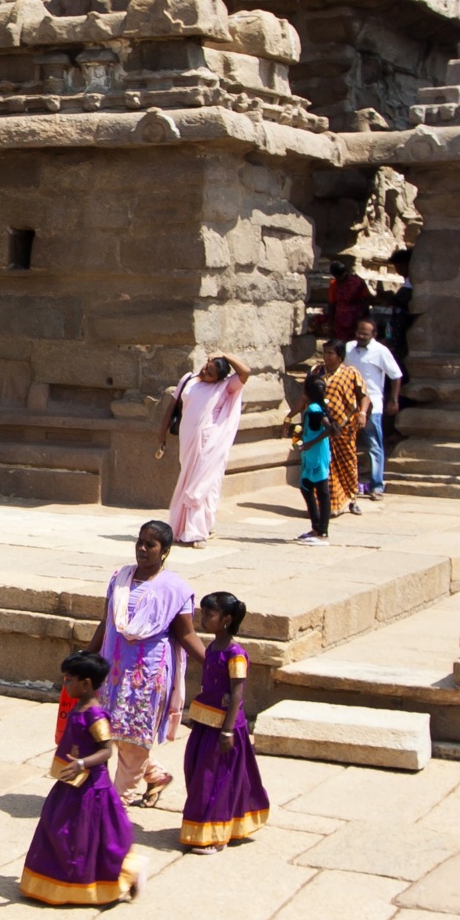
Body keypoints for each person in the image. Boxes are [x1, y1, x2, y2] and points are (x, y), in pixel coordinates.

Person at [19, 650, 146, 906]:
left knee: (88, 837)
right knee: (57, 829)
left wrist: (81, 763)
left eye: (69, 679)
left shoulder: (95, 716)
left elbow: (107, 749)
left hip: (91, 788)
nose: (65, 684)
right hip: (69, 784)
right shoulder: (78, 707)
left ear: (86, 683)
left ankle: (125, 873)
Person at [99, 519, 201, 805]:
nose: (142, 549)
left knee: (134, 738)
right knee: (116, 731)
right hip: (114, 670)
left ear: (165, 551)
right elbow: (105, 623)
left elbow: (187, 634)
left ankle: (116, 805)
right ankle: (156, 775)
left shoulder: (174, 589)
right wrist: (86, 658)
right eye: (139, 542)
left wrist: (217, 661)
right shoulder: (120, 578)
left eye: (150, 545)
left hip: (147, 677)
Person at [180, 592, 270, 849]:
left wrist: (228, 731)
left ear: (227, 619)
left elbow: (237, 693)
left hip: (223, 728)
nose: (203, 618)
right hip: (204, 723)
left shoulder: (236, 654)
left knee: (215, 780)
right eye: (203, 613)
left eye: (210, 614)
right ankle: (205, 825)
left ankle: (215, 834)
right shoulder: (211, 648)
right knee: (197, 773)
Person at [156, 350, 252, 547]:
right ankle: (184, 527)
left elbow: (245, 372)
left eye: (210, 374)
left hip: (209, 442)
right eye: (206, 367)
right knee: (188, 479)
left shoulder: (225, 386)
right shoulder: (188, 379)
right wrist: (161, 433)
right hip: (188, 440)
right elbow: (172, 407)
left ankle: (197, 531)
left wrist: (225, 355)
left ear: (217, 378)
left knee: (201, 485)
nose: (205, 372)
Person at [344, 315, 402, 498]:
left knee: (373, 445)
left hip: (372, 405)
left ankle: (376, 485)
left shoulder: (381, 351)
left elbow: (396, 375)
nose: (362, 336)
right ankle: (346, 482)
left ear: (374, 334)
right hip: (349, 405)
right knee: (346, 443)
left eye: (366, 334)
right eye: (360, 332)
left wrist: (393, 399)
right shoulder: (348, 349)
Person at [318, 338, 369, 517]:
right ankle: (329, 504)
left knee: (347, 463)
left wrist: (362, 413)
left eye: (330, 353)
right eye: (324, 352)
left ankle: (352, 498)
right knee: (326, 465)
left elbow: (363, 396)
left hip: (345, 427)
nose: (326, 356)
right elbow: (306, 396)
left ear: (339, 356)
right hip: (322, 428)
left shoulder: (350, 373)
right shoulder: (317, 372)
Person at [296, 369, 333, 542]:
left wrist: (310, 442)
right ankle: (316, 528)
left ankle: (322, 531)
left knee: (321, 491)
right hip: (312, 454)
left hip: (317, 453)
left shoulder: (314, 408)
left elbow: (329, 428)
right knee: (308, 488)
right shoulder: (314, 407)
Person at [322, 256, 371, 345]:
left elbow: (366, 300)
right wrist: (330, 325)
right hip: (340, 322)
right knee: (341, 345)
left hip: (356, 320)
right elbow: (332, 304)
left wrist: (363, 319)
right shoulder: (334, 285)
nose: (341, 279)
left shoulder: (358, 282)